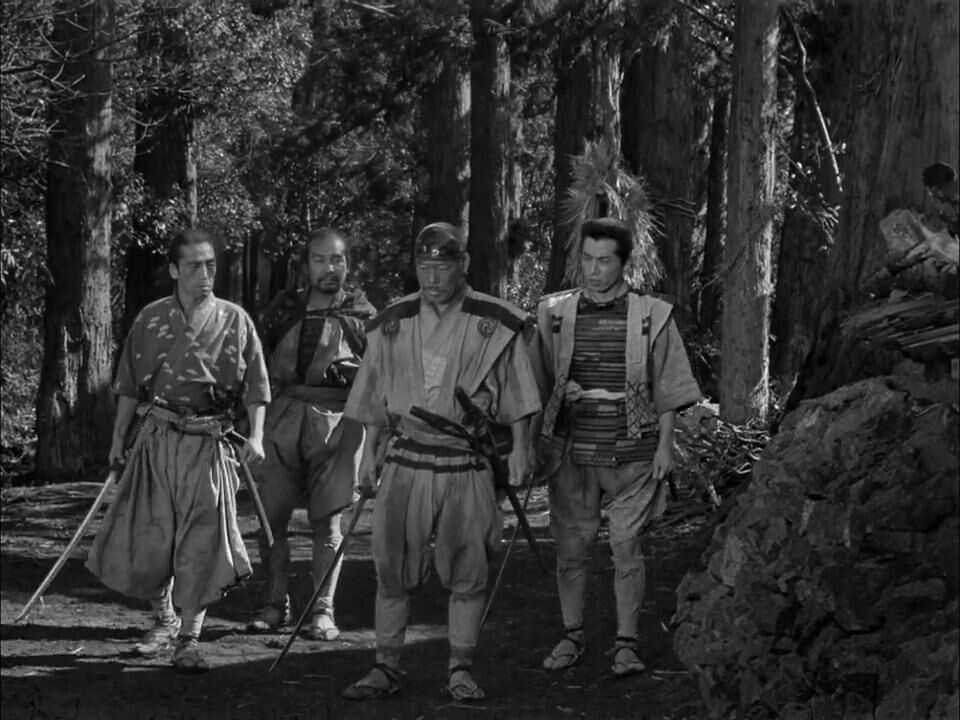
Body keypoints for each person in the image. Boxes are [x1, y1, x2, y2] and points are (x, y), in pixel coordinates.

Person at [339, 222, 541, 702]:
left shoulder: (494, 321)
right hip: (406, 455)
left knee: (470, 565)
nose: (432, 278)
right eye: (424, 267)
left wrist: (522, 448)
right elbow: (374, 392)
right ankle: (385, 666)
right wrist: (368, 454)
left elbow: (519, 390)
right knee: (390, 565)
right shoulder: (393, 321)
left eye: (442, 267)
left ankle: (460, 669)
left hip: (464, 459)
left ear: (462, 265)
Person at [86, 228, 270, 673]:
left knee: (202, 540)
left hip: (209, 443)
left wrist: (258, 437)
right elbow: (129, 386)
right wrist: (118, 441)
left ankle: (189, 637)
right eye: (193, 266)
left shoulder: (235, 320)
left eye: (210, 265)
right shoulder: (151, 319)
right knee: (153, 534)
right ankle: (163, 620)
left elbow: (256, 387)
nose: (205, 274)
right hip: (158, 437)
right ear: (173, 270)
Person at [531, 218, 701, 677]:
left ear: (624, 262)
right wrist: (554, 402)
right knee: (571, 548)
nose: (593, 270)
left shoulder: (652, 315)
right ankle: (571, 634)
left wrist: (665, 446)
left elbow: (668, 385)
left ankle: (626, 643)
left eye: (604, 261)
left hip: (634, 451)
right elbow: (534, 381)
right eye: (587, 259)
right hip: (573, 451)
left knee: (626, 546)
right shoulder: (555, 314)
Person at [245, 228, 375, 640]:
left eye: (337, 259)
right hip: (281, 420)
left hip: (338, 425)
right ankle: (274, 603)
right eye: (319, 260)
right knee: (271, 519)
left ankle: (323, 610)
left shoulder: (363, 315)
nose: (329, 268)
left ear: (348, 264)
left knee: (328, 521)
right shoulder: (282, 311)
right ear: (306, 265)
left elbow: (379, 375)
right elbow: (255, 364)